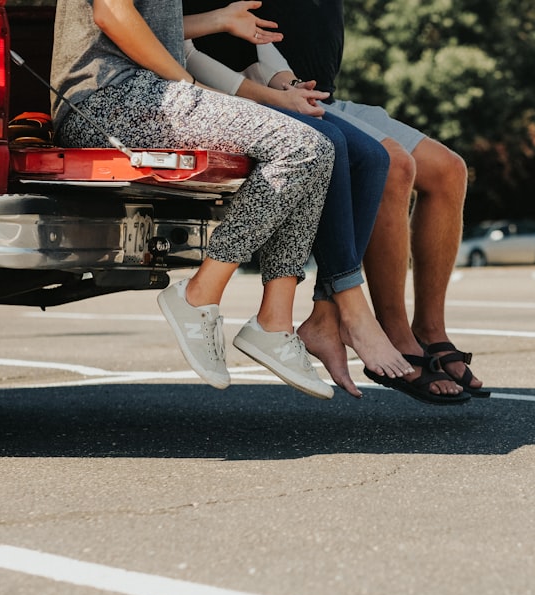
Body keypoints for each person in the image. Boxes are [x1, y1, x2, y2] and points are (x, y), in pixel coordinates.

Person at [49, 0, 411, 399]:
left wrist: (219, 21)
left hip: (149, 91)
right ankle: (198, 295)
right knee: (302, 146)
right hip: (109, 98)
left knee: (317, 146)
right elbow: (111, 12)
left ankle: (274, 323)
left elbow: (159, 27)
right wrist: (186, 83)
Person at [187, 0, 490, 401]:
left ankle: (429, 330)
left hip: (306, 91)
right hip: (244, 97)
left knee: (448, 170)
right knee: (392, 164)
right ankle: (385, 329)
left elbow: (255, 40)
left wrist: (288, 83)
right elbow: (196, 45)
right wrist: (273, 92)